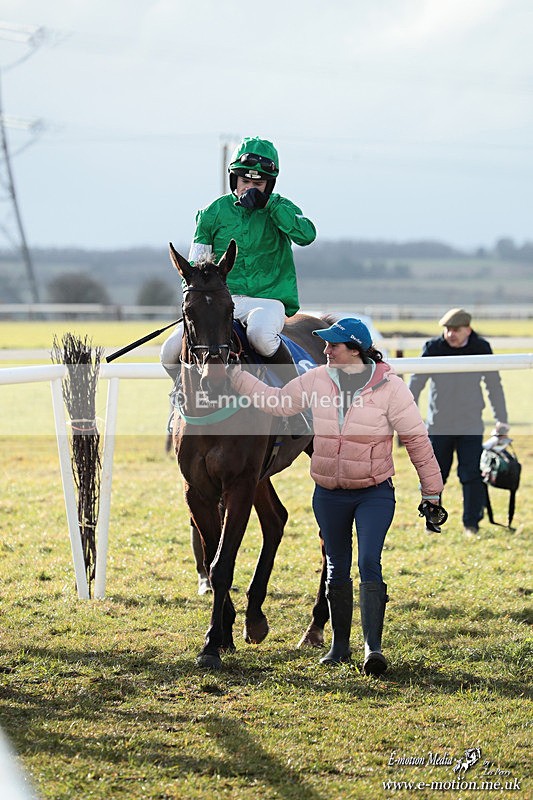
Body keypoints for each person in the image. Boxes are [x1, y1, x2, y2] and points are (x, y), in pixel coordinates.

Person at [229, 318, 444, 675]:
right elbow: (278, 402)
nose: (325, 352)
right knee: (336, 567)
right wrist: (237, 375)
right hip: (328, 494)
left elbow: (418, 441)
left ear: (355, 350)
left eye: (333, 347)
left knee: (368, 563)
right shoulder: (316, 379)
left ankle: (372, 648)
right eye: (325, 346)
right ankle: (338, 646)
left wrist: (432, 493)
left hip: (374, 493)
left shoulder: (391, 388)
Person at [161, 135, 317, 382]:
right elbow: (192, 271)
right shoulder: (212, 213)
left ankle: (296, 403)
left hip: (266, 301)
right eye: (245, 181)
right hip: (221, 301)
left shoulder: (281, 208)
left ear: (270, 185)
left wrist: (270, 207)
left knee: (261, 338)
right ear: (234, 179)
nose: (250, 188)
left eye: (259, 184)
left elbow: (307, 235)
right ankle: (180, 398)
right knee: (168, 351)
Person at [408, 308, 509, 536]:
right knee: (434, 476)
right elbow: (416, 381)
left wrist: (502, 419)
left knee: (471, 475)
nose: (450, 334)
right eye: (447, 329)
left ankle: (471, 525)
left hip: (470, 423)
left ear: (468, 330)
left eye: (456, 330)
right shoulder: (433, 348)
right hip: (438, 423)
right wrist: (404, 413)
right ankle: (432, 524)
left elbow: (494, 385)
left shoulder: (481, 348)